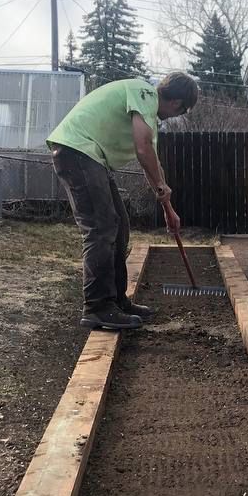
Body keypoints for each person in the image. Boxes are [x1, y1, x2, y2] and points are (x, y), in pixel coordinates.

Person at [47, 72, 200, 330]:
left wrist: (168, 209)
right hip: (77, 151)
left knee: (119, 228)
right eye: (182, 111)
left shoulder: (146, 112)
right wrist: (162, 191)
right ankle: (97, 307)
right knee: (102, 228)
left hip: (91, 157)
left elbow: (152, 163)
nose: (177, 115)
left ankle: (116, 301)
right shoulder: (144, 93)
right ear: (177, 103)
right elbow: (142, 148)